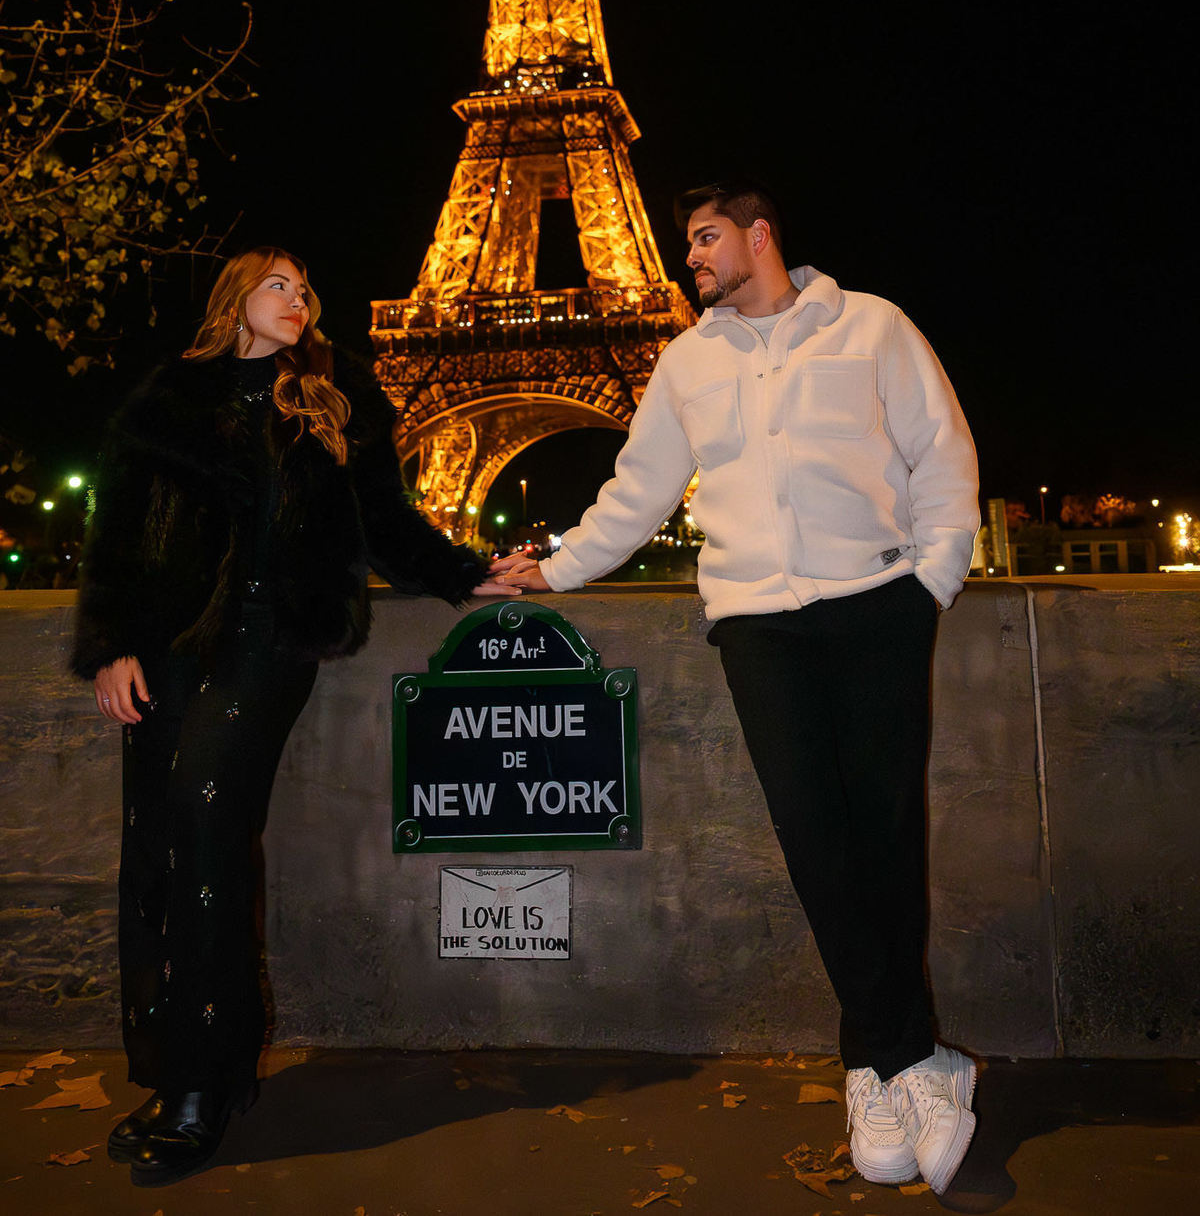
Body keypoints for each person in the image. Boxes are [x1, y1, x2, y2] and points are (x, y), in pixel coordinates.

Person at [488, 180, 981, 1196]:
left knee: (885, 831)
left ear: (760, 236)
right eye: (687, 242)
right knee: (814, 838)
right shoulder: (686, 360)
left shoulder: (872, 326)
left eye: (706, 237)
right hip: (758, 624)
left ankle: (878, 1064)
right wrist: (559, 567)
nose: (691, 258)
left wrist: (928, 582)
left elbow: (942, 451)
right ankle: (913, 1059)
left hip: (876, 606)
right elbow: (638, 488)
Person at [72, 247, 487, 1186]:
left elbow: (384, 519)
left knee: (203, 817)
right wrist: (111, 643)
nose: (298, 299)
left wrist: (466, 575)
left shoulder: (336, 393)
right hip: (170, 642)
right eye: (278, 285)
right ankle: (177, 1067)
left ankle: (206, 1083)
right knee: (158, 840)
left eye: (305, 289)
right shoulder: (171, 397)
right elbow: (120, 528)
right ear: (235, 300)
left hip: (268, 641)